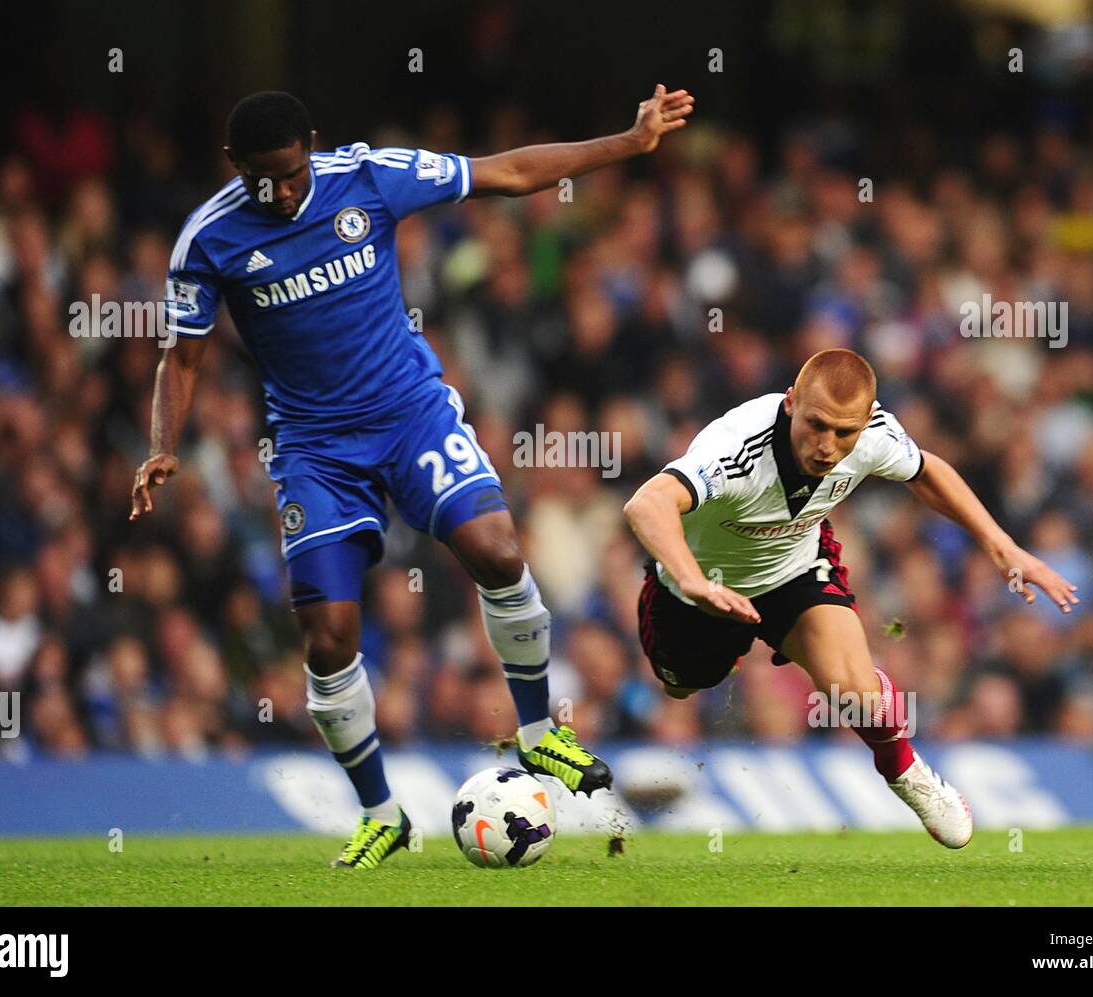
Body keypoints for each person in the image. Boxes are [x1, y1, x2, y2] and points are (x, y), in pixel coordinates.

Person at [130, 86, 696, 868]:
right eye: (265, 179)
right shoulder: (209, 239)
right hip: (316, 449)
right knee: (327, 640)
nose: (284, 191)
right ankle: (380, 812)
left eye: (293, 173)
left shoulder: (370, 178)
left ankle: (540, 734)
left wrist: (625, 145)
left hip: (410, 414)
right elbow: (181, 355)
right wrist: (163, 442)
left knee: (498, 549)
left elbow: (505, 171)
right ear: (235, 166)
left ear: (313, 148)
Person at [624, 348, 1080, 847]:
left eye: (844, 432)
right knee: (684, 684)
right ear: (792, 402)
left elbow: (926, 472)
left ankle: (905, 770)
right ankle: (711, 653)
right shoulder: (738, 449)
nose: (826, 445)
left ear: (865, 419)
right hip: (700, 587)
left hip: (792, 570)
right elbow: (648, 502)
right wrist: (692, 579)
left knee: (855, 693)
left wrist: (1002, 546)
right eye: (816, 425)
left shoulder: (875, 433)